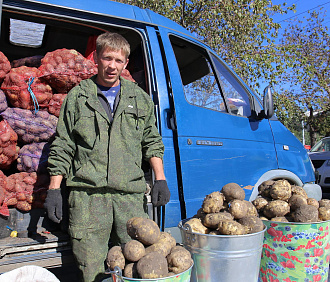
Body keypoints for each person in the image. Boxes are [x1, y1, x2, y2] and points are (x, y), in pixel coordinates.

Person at [44, 32, 170, 282]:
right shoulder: (78, 97)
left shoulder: (140, 99)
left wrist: (160, 178)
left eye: (119, 60)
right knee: (90, 268)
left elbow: (152, 141)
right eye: (107, 58)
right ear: (96, 59)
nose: (112, 66)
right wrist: (54, 189)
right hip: (89, 198)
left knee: (136, 266)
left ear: (125, 63)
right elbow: (63, 145)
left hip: (129, 198)